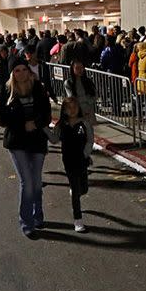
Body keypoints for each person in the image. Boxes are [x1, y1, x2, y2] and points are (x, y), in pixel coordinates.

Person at [0, 56, 52, 239]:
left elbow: (47, 114)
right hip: (17, 141)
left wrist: (34, 124)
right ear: (12, 73)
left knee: (36, 181)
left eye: (23, 69)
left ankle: (38, 214)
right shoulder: (5, 90)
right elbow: (2, 119)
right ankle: (26, 222)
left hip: (37, 140)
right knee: (26, 182)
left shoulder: (37, 88)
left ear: (29, 71)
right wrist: (23, 125)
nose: (20, 73)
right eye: (17, 70)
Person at [56, 96, 90, 233]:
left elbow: (90, 140)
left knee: (84, 189)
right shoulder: (61, 125)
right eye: (69, 108)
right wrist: (44, 128)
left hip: (82, 160)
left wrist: (86, 154)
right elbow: (54, 139)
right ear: (64, 110)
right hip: (69, 161)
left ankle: (76, 191)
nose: (72, 110)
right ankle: (78, 219)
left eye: (75, 107)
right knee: (75, 190)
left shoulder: (84, 124)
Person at [63, 60, 97, 160]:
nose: (80, 70)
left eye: (81, 68)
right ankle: (80, 157)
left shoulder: (88, 81)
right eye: (77, 68)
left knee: (89, 137)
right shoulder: (68, 83)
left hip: (88, 112)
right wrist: (84, 101)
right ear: (72, 70)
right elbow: (72, 98)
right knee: (79, 137)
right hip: (76, 114)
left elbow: (94, 96)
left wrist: (86, 101)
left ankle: (85, 156)